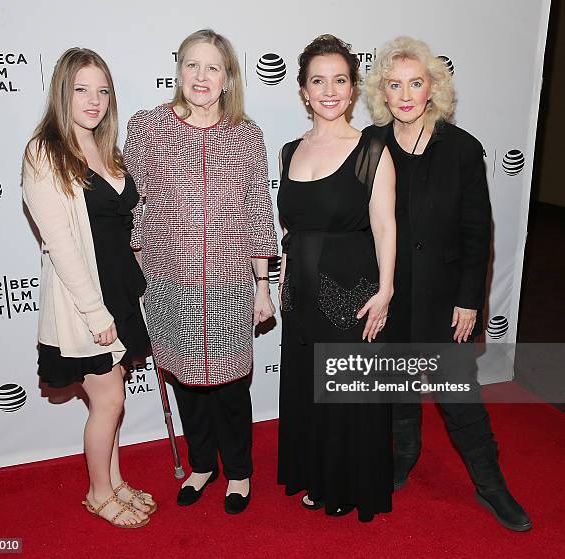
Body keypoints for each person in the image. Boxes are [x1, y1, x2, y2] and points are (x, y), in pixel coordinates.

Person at [364, 36, 531, 531]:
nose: (406, 93)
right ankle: (404, 455)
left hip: (443, 301)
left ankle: (490, 485)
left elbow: (478, 232)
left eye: (416, 83)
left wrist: (468, 301)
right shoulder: (372, 146)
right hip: (391, 297)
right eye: (395, 85)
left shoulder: (462, 149)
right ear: (382, 93)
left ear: (434, 87)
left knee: (459, 399)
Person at [123, 29, 277, 515]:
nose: (201, 76)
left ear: (229, 77)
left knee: (231, 386)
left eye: (213, 67)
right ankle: (201, 464)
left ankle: (239, 471)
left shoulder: (247, 135)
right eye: (192, 65)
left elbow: (258, 212)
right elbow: (130, 205)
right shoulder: (148, 128)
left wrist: (263, 288)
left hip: (232, 285)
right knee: (187, 383)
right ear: (178, 71)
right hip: (171, 283)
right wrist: (131, 269)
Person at [22, 48, 154, 528]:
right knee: (109, 402)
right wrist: (97, 315)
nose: (94, 100)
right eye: (81, 89)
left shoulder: (108, 149)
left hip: (119, 289)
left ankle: (115, 482)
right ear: (63, 92)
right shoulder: (45, 152)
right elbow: (61, 245)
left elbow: (118, 227)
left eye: (102, 90)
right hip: (87, 300)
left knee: (111, 399)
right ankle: (99, 493)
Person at [277, 34, 396, 522]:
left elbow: (386, 226)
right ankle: (317, 474)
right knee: (309, 387)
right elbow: (290, 230)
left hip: (352, 290)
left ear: (352, 89)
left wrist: (386, 291)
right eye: (318, 80)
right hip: (300, 293)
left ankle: (349, 482)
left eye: (340, 80)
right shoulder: (289, 151)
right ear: (304, 90)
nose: (329, 90)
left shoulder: (371, 148)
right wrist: (280, 286)